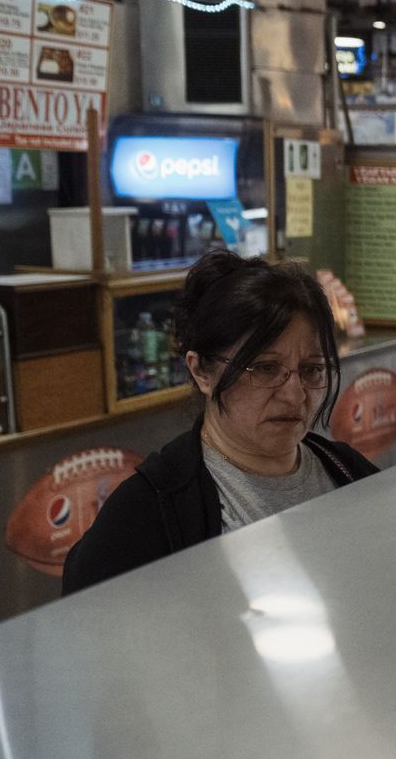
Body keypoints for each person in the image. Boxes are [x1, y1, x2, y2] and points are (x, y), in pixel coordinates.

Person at [63, 251, 379, 594]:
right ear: (201, 371)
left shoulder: (346, 471)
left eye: (312, 369)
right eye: (264, 368)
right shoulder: (149, 511)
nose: (295, 394)